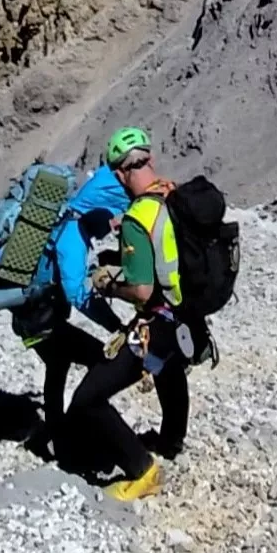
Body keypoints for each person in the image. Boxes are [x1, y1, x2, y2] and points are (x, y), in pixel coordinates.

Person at [65, 126, 210, 501]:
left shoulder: (136, 218)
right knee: (168, 365)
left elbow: (142, 290)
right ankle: (172, 440)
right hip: (188, 315)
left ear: (118, 174)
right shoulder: (174, 196)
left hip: (158, 321)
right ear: (151, 159)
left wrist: (109, 285)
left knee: (86, 401)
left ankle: (141, 470)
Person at [10, 164, 127, 457]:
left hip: (29, 318)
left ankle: (56, 435)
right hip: (43, 320)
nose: (113, 226)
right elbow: (76, 293)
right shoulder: (73, 236)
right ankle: (87, 426)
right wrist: (114, 324)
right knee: (101, 360)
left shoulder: (67, 224)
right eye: (113, 218)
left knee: (58, 365)